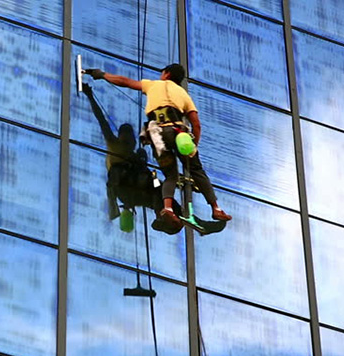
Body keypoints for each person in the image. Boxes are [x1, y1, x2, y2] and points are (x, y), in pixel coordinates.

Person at [84, 64, 232, 228]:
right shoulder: (184, 94)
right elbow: (196, 124)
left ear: (166, 74)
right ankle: (215, 208)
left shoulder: (153, 84)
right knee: (196, 171)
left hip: (156, 135)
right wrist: (193, 148)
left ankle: (168, 210)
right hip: (177, 135)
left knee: (169, 177)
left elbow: (124, 81)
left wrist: (102, 74)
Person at [81, 83, 184, 234]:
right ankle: (163, 213)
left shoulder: (135, 157)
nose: (129, 142)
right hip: (124, 189)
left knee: (158, 187)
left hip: (139, 192)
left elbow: (152, 179)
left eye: (131, 139)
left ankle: (173, 215)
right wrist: (90, 96)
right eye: (126, 138)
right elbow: (101, 119)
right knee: (120, 171)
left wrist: (161, 180)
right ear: (121, 137)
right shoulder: (115, 144)